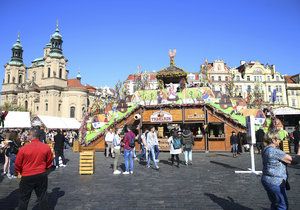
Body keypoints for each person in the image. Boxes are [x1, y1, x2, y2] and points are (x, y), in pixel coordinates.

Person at [15, 127, 53, 210]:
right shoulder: (46, 147)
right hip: (41, 175)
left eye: (28, 134)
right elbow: (49, 161)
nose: (27, 136)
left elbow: (17, 163)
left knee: (24, 199)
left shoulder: (23, 149)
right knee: (42, 198)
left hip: (27, 176)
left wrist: (19, 171)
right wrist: (46, 169)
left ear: (31, 136)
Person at [261, 131, 299, 210]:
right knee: (282, 205)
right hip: (275, 182)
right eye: (278, 139)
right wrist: (299, 150)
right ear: (273, 140)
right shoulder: (275, 151)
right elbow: (294, 161)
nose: (280, 141)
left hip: (267, 180)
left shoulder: (265, 149)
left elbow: (287, 161)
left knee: (275, 203)